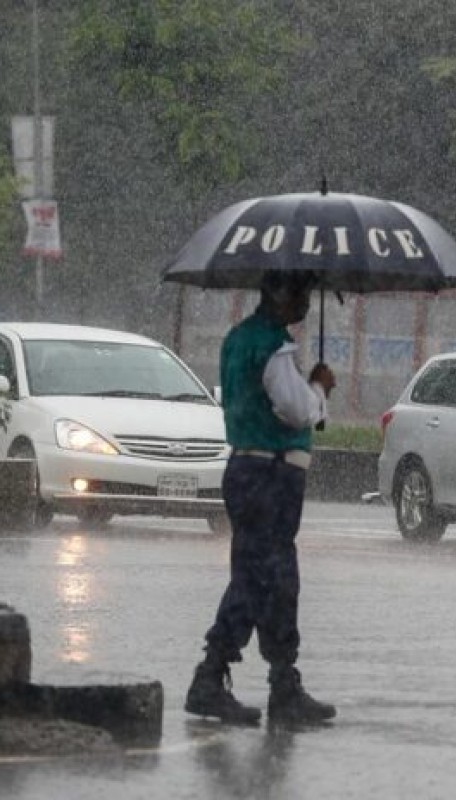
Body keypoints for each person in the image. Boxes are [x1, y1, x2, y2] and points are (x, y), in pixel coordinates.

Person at [185, 269, 338, 728]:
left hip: (247, 471)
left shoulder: (238, 340)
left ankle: (281, 682)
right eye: (300, 292)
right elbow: (297, 410)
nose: (306, 302)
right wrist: (319, 388)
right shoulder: (272, 346)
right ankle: (215, 678)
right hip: (270, 475)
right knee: (262, 579)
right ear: (276, 293)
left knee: (270, 578)